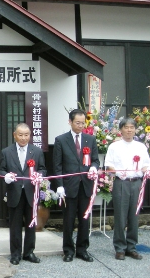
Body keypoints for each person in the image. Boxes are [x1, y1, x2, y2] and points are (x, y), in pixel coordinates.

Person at [53, 108, 99, 262]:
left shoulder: (90, 139)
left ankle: (82, 249)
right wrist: (59, 185)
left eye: (82, 123)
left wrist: (93, 167)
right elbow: (57, 165)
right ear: (70, 122)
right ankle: (68, 250)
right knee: (69, 220)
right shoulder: (61, 140)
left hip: (86, 185)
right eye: (77, 123)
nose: (80, 125)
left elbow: (95, 159)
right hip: (68, 186)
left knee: (84, 219)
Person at [0, 123, 47, 265]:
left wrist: (39, 175)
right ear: (14, 135)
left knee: (31, 225)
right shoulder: (6, 152)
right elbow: (1, 170)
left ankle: (29, 252)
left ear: (30, 136)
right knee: (15, 225)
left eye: (26, 135)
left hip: (31, 193)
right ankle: (15, 254)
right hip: (15, 193)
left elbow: (43, 169)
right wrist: (6, 176)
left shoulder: (37, 151)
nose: (23, 138)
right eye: (20, 135)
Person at [105, 117, 150, 261]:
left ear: (135, 129)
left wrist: (149, 170)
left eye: (132, 127)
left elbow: (146, 165)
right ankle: (119, 248)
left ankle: (131, 247)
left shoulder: (141, 146)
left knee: (134, 215)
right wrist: (118, 172)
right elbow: (109, 166)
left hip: (136, 183)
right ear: (120, 130)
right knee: (120, 216)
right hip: (121, 183)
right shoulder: (114, 146)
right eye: (126, 127)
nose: (129, 130)